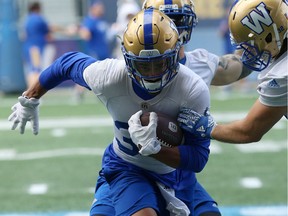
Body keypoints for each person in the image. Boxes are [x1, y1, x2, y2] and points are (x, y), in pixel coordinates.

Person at [8, 8, 212, 215]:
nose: (152, 74)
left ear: (176, 53)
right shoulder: (110, 76)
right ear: (127, 60)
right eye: (143, 66)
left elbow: (198, 158)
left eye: (160, 64)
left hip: (174, 173)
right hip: (127, 165)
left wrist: (156, 149)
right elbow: (66, 63)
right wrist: (30, 98)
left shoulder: (192, 89)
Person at [91, 0, 255, 215]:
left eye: (178, 20)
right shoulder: (125, 68)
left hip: (179, 172)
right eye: (167, 19)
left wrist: (269, 44)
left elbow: (242, 66)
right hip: (132, 166)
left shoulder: (201, 65)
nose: (174, 26)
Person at [177, 0, 287, 144]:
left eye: (251, 44)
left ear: (271, 36)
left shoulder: (282, 75)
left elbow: (248, 131)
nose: (248, 52)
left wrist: (206, 127)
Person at [75, 0, 112, 103]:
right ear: (93, 8)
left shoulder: (101, 20)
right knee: (88, 74)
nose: (101, 9)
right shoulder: (90, 20)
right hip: (94, 52)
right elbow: (85, 34)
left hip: (104, 51)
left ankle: (103, 93)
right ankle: (79, 92)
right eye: (99, 7)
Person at [22, 1, 55, 88]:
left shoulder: (27, 19)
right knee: (35, 70)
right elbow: (50, 29)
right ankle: (33, 92)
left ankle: (30, 92)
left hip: (28, 47)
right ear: (38, 8)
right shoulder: (38, 18)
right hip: (35, 48)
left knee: (31, 70)